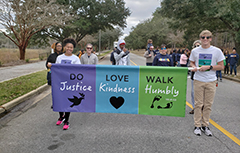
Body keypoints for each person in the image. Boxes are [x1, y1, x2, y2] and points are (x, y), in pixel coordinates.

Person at [190, 30, 225, 136]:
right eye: (203, 37)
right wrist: (193, 67)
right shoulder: (195, 51)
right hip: (198, 80)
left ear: (211, 38)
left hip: (211, 81)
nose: (205, 39)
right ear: (200, 39)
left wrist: (209, 67)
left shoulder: (217, 51)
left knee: (208, 105)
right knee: (198, 104)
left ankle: (205, 125)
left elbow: (221, 66)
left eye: (207, 37)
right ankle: (197, 125)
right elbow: (191, 62)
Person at [54, 38, 81, 130]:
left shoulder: (76, 58)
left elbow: (78, 71)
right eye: (68, 47)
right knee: (60, 101)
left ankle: (67, 120)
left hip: (70, 84)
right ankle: (61, 116)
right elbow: (56, 69)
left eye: (71, 47)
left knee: (68, 102)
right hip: (60, 83)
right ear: (64, 47)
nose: (69, 49)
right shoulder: (59, 58)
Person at [189, 40, 201, 114]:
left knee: (202, 93)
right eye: (196, 46)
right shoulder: (193, 54)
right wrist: (193, 67)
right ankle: (194, 107)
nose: (197, 47)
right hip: (194, 76)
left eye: (198, 45)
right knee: (193, 92)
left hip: (203, 76)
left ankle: (201, 107)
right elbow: (190, 63)